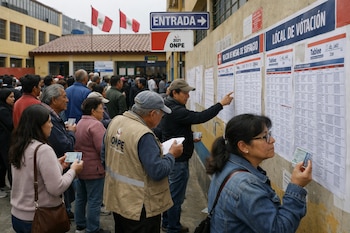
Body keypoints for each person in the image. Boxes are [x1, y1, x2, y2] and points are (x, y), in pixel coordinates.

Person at [206, 114, 312, 233]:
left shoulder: (228, 163)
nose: (272, 140)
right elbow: (279, 229)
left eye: (269, 134)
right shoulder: (245, 185)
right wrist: (296, 186)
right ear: (243, 146)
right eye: (264, 137)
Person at [159, 79, 233, 233]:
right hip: (177, 161)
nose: (188, 96)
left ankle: (167, 223)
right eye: (185, 93)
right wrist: (221, 104)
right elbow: (200, 117)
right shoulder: (176, 110)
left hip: (173, 157)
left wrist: (189, 137)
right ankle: (173, 227)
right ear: (175, 93)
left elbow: (173, 130)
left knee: (170, 194)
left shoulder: (169, 106)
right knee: (175, 197)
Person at [103, 91, 183, 233]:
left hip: (118, 197)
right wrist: (172, 155)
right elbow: (158, 171)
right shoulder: (143, 135)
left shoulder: (116, 121)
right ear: (152, 114)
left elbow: (104, 155)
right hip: (140, 205)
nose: (162, 117)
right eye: (161, 114)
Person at [9, 104, 83, 233]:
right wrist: (73, 170)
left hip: (18, 215)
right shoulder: (43, 150)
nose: (52, 125)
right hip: (40, 217)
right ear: (38, 126)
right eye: (48, 122)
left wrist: (58, 166)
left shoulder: (19, 146)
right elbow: (57, 188)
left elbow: (33, 175)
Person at [40, 84, 77, 219]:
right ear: (54, 100)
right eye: (64, 97)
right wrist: (72, 134)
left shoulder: (52, 115)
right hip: (58, 165)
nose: (67, 100)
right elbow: (65, 145)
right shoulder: (48, 117)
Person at [74, 97, 109, 233]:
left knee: (81, 197)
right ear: (93, 111)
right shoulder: (96, 125)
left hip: (80, 165)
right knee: (94, 200)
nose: (103, 112)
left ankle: (80, 225)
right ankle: (93, 228)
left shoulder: (80, 122)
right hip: (94, 169)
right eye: (101, 109)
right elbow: (102, 148)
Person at [0, 89, 15, 197]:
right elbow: (10, 124)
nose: (13, 99)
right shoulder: (3, 110)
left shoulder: (6, 108)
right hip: (5, 141)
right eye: (10, 97)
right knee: (7, 163)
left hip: (4, 140)